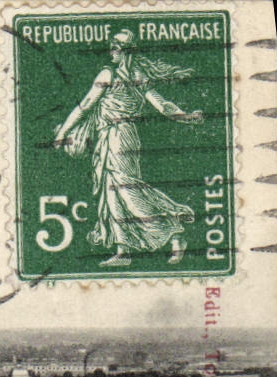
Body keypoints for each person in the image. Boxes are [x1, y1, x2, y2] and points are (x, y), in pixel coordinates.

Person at [53, 29, 204, 267]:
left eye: (115, 47)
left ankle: (174, 229)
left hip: (117, 137)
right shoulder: (138, 75)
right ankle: (124, 251)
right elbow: (163, 105)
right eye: (112, 46)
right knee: (113, 192)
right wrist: (185, 116)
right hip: (120, 136)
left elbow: (85, 106)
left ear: (124, 51)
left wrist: (62, 133)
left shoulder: (109, 73)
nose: (111, 51)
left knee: (127, 191)